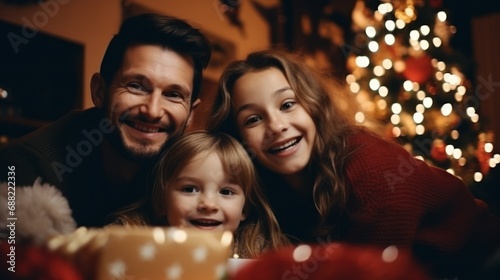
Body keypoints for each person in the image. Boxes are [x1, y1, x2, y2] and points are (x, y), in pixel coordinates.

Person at [207, 49, 500, 278]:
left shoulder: (375, 174)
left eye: (287, 104)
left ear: (314, 107)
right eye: (253, 119)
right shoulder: (265, 186)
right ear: (237, 138)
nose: (276, 125)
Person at [0, 13, 212, 227]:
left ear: (191, 114)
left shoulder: (189, 174)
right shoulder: (21, 173)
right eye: (136, 86)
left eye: (173, 95)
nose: (153, 111)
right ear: (100, 91)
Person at [111, 131, 290, 258]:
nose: (208, 204)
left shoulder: (260, 253)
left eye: (226, 192)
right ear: (161, 202)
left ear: (246, 209)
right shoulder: (131, 240)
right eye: (190, 189)